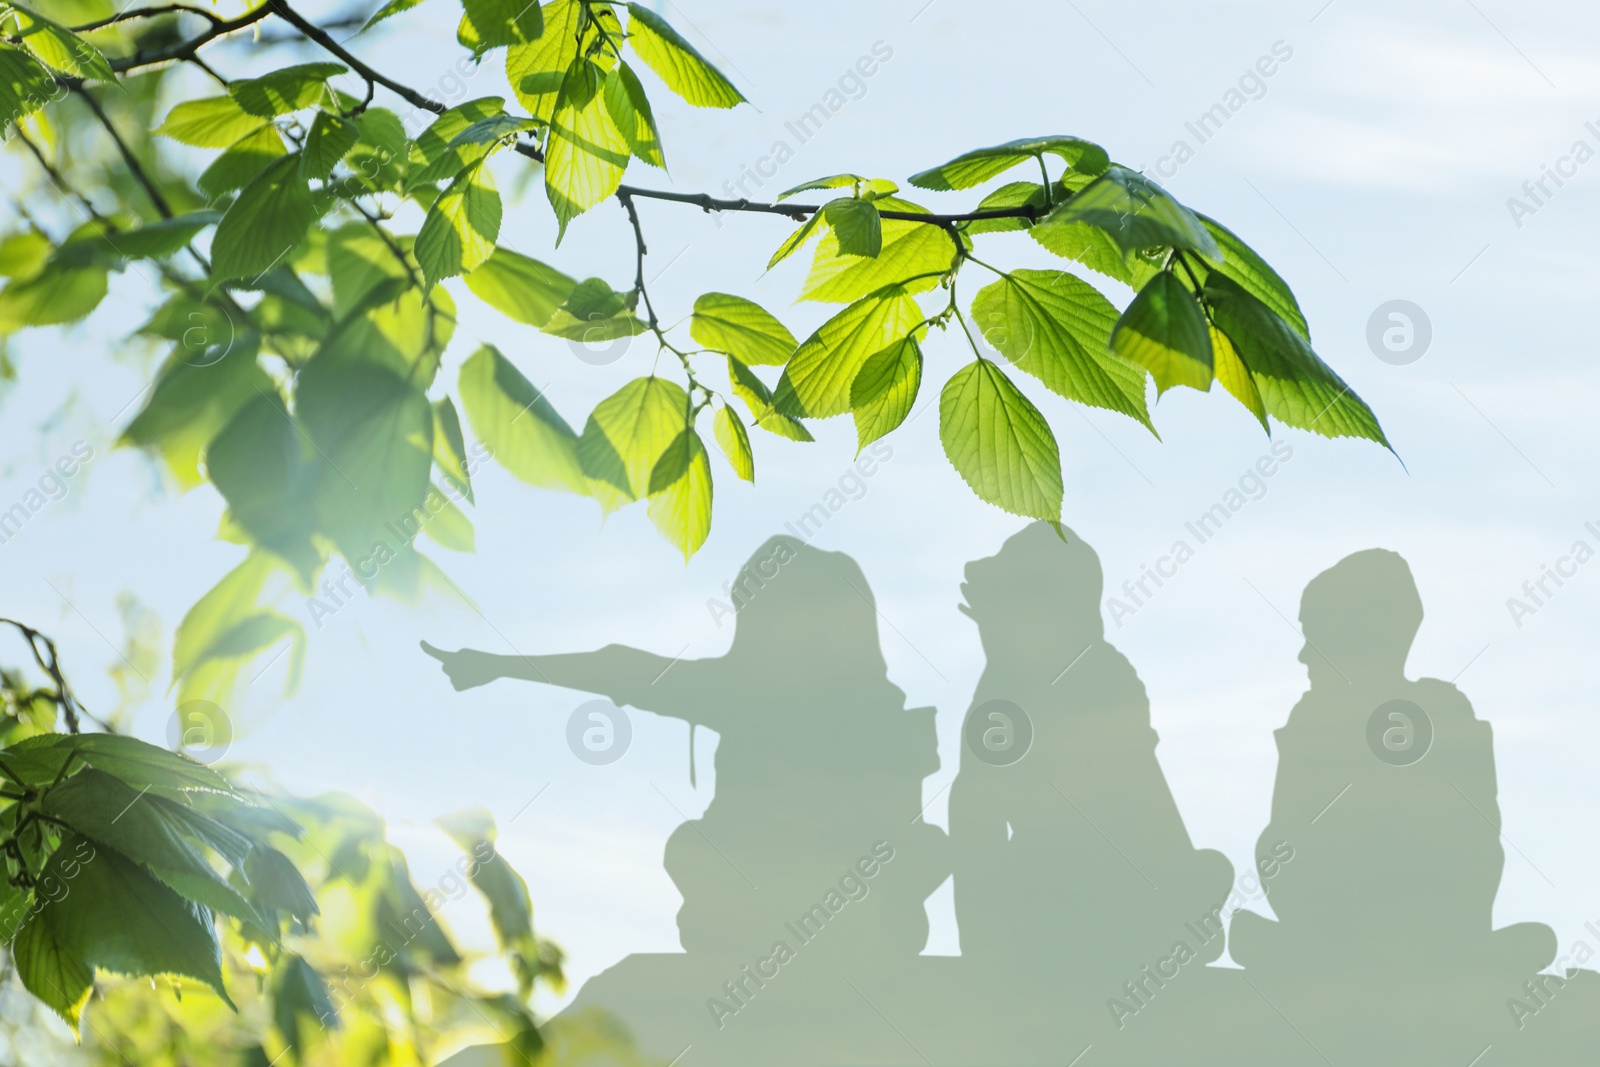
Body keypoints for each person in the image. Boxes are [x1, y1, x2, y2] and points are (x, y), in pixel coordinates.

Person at [422, 535, 948, 965]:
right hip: (757, 903)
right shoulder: (739, 691)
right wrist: (498, 664)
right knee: (693, 846)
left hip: (841, 906)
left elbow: (897, 837)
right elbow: (621, 667)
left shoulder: (876, 717)